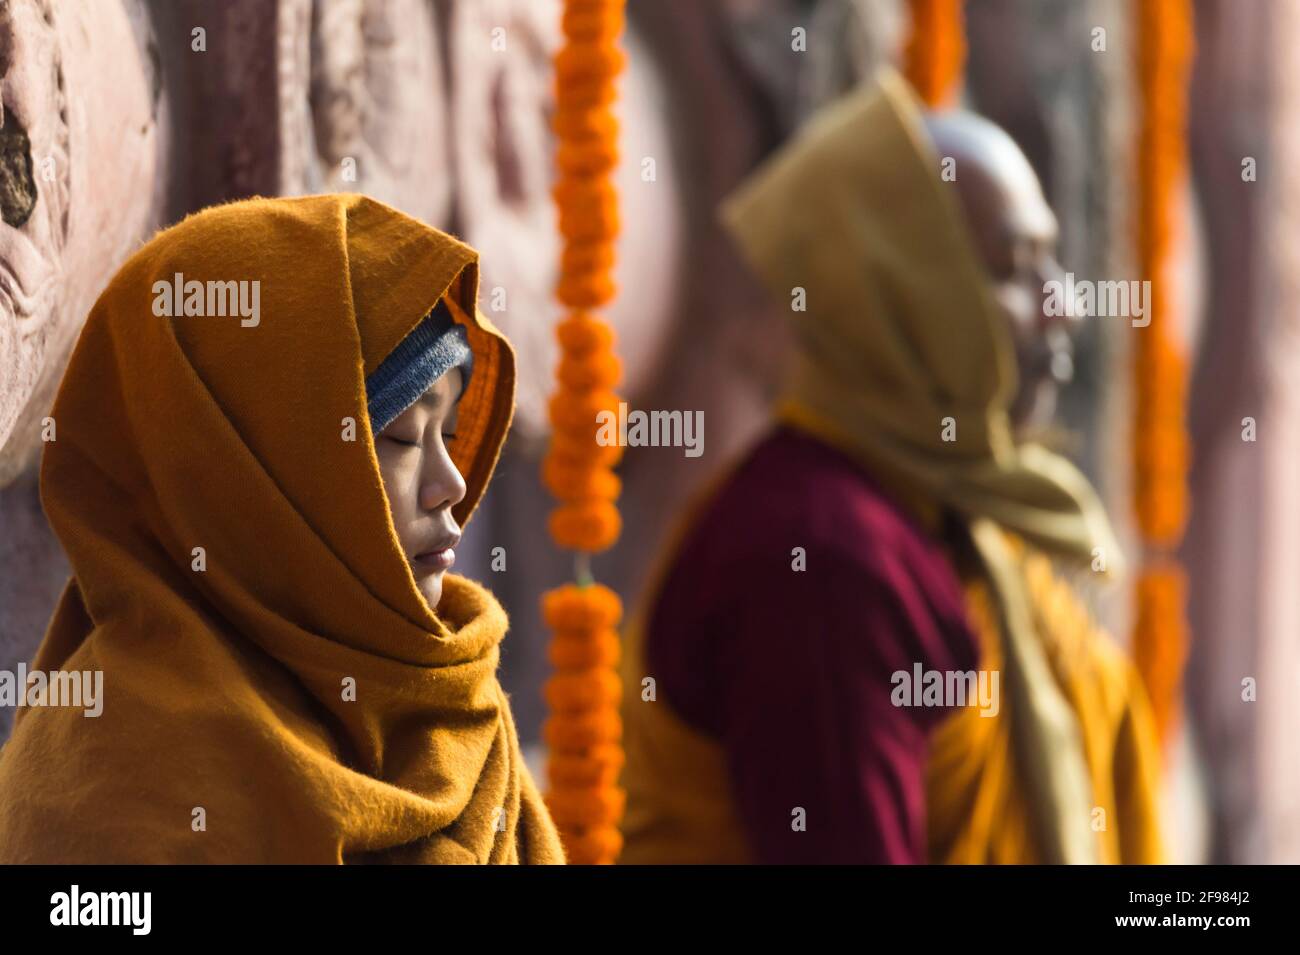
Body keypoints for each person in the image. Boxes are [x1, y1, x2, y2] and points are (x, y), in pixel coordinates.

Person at [619, 70, 1165, 864]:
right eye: (1015, 267)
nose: (1064, 305)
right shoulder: (824, 556)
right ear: (903, 294)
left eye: (1053, 263)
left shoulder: (961, 524)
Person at [0, 194, 564, 864]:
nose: (453, 483)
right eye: (402, 437)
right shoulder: (110, 783)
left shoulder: (456, 714)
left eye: (448, 433)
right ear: (253, 479)